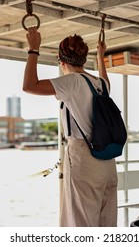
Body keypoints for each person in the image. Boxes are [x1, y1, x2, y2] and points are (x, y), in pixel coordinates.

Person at [23, 26, 118, 227]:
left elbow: (29, 86)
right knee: (106, 224)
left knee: (81, 224)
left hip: (84, 158)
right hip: (108, 161)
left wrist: (34, 49)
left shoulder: (72, 82)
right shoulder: (100, 84)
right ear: (83, 59)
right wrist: (100, 57)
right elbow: (105, 78)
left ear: (62, 61)